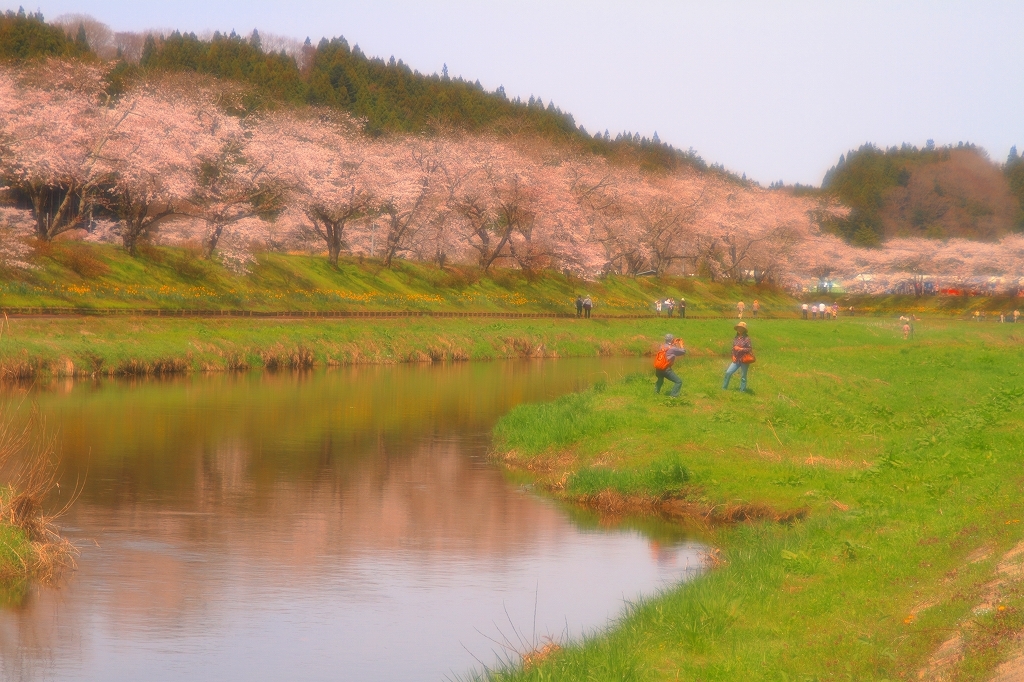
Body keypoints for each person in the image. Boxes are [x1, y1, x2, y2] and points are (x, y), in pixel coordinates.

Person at [723, 321, 753, 392]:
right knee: (728, 372)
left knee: (743, 376)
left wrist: (740, 349)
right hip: (736, 359)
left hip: (744, 360)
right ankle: (724, 388)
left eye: (741, 328)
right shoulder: (736, 337)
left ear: (744, 330)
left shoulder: (747, 338)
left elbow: (749, 349)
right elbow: (733, 347)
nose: (740, 329)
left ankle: (742, 391)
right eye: (739, 328)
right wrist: (733, 355)